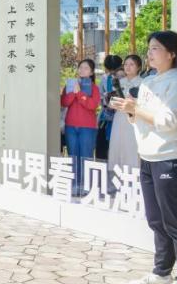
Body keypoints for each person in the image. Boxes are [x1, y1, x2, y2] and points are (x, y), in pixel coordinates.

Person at [111, 32, 177, 284]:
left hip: (172, 158)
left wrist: (137, 110)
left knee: (176, 223)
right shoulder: (149, 81)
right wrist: (130, 110)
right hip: (149, 158)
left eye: (156, 48)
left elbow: (172, 121)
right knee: (156, 220)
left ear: (172, 53)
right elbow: (142, 121)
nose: (149, 53)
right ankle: (162, 273)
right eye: (149, 48)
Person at [61, 59, 100, 195]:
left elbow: (92, 105)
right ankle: (74, 185)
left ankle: (86, 186)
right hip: (70, 126)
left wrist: (79, 93)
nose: (82, 70)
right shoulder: (70, 84)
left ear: (91, 72)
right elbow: (64, 102)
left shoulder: (94, 87)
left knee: (85, 155)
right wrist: (74, 91)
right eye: (80, 67)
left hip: (87, 127)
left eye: (86, 68)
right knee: (72, 155)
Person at [107, 54, 143, 187]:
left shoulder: (143, 83)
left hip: (134, 119)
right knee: (117, 147)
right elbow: (111, 102)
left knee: (131, 148)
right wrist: (111, 102)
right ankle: (117, 183)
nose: (128, 67)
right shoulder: (119, 82)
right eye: (126, 64)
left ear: (139, 67)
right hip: (119, 118)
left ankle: (134, 184)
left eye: (131, 64)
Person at [96, 55, 123, 159]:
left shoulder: (107, 78)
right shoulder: (107, 78)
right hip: (113, 115)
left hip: (112, 115)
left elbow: (100, 96)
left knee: (106, 145)